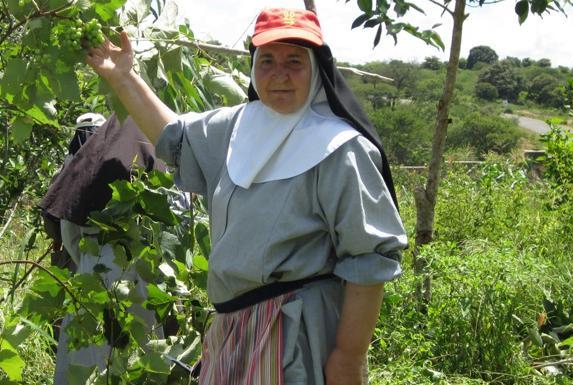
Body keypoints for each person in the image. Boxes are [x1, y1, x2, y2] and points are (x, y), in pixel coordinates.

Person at [86, 7, 407, 385]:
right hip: (232, 328)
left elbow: (369, 260)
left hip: (295, 331)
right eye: (267, 60)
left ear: (317, 68)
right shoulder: (237, 127)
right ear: (253, 65)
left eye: (294, 61)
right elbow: (175, 139)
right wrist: (124, 79)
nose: (279, 74)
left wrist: (348, 357)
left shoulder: (340, 148)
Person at [39, 114, 167, 385]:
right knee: (138, 353)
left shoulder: (85, 165)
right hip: (142, 272)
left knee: (87, 356)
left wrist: (85, 260)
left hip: (94, 266)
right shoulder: (154, 162)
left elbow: (68, 229)